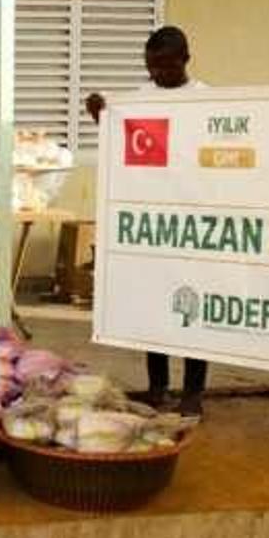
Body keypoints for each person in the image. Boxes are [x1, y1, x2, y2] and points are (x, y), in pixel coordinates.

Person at [89, 25, 211, 416]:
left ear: (186, 59)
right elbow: (122, 143)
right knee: (154, 305)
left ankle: (193, 391)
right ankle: (158, 387)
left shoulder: (208, 100)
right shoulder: (139, 100)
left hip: (193, 222)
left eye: (166, 66)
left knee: (193, 309)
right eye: (151, 66)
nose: (158, 73)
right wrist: (102, 117)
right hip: (153, 223)